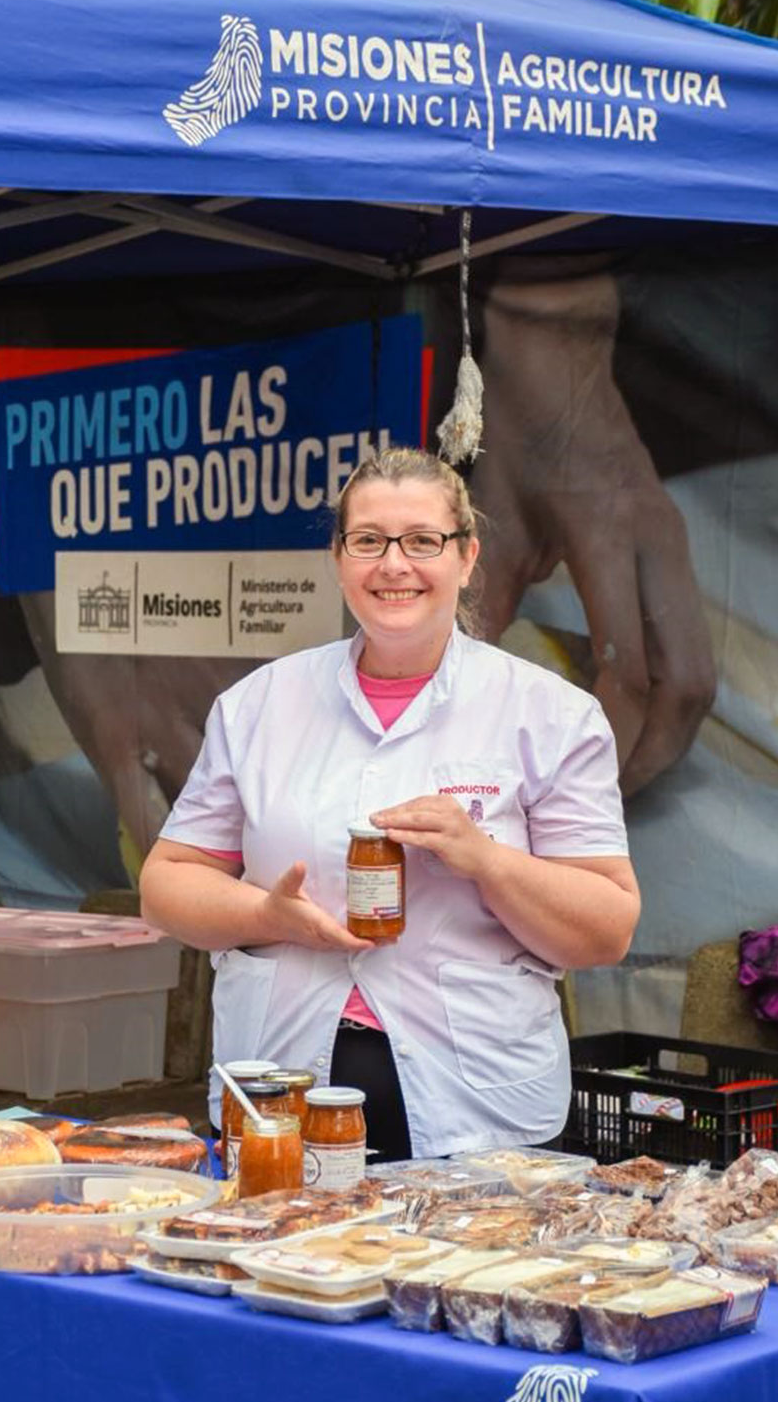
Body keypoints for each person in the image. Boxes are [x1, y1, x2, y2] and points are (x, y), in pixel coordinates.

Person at [140, 448, 639, 1160]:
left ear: (466, 556)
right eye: (368, 540)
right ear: (339, 558)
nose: (393, 565)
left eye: (422, 541)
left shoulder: (550, 714)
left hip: (476, 1104)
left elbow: (607, 928)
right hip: (281, 1091)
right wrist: (264, 915)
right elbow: (164, 886)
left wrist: (486, 861)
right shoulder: (259, 705)